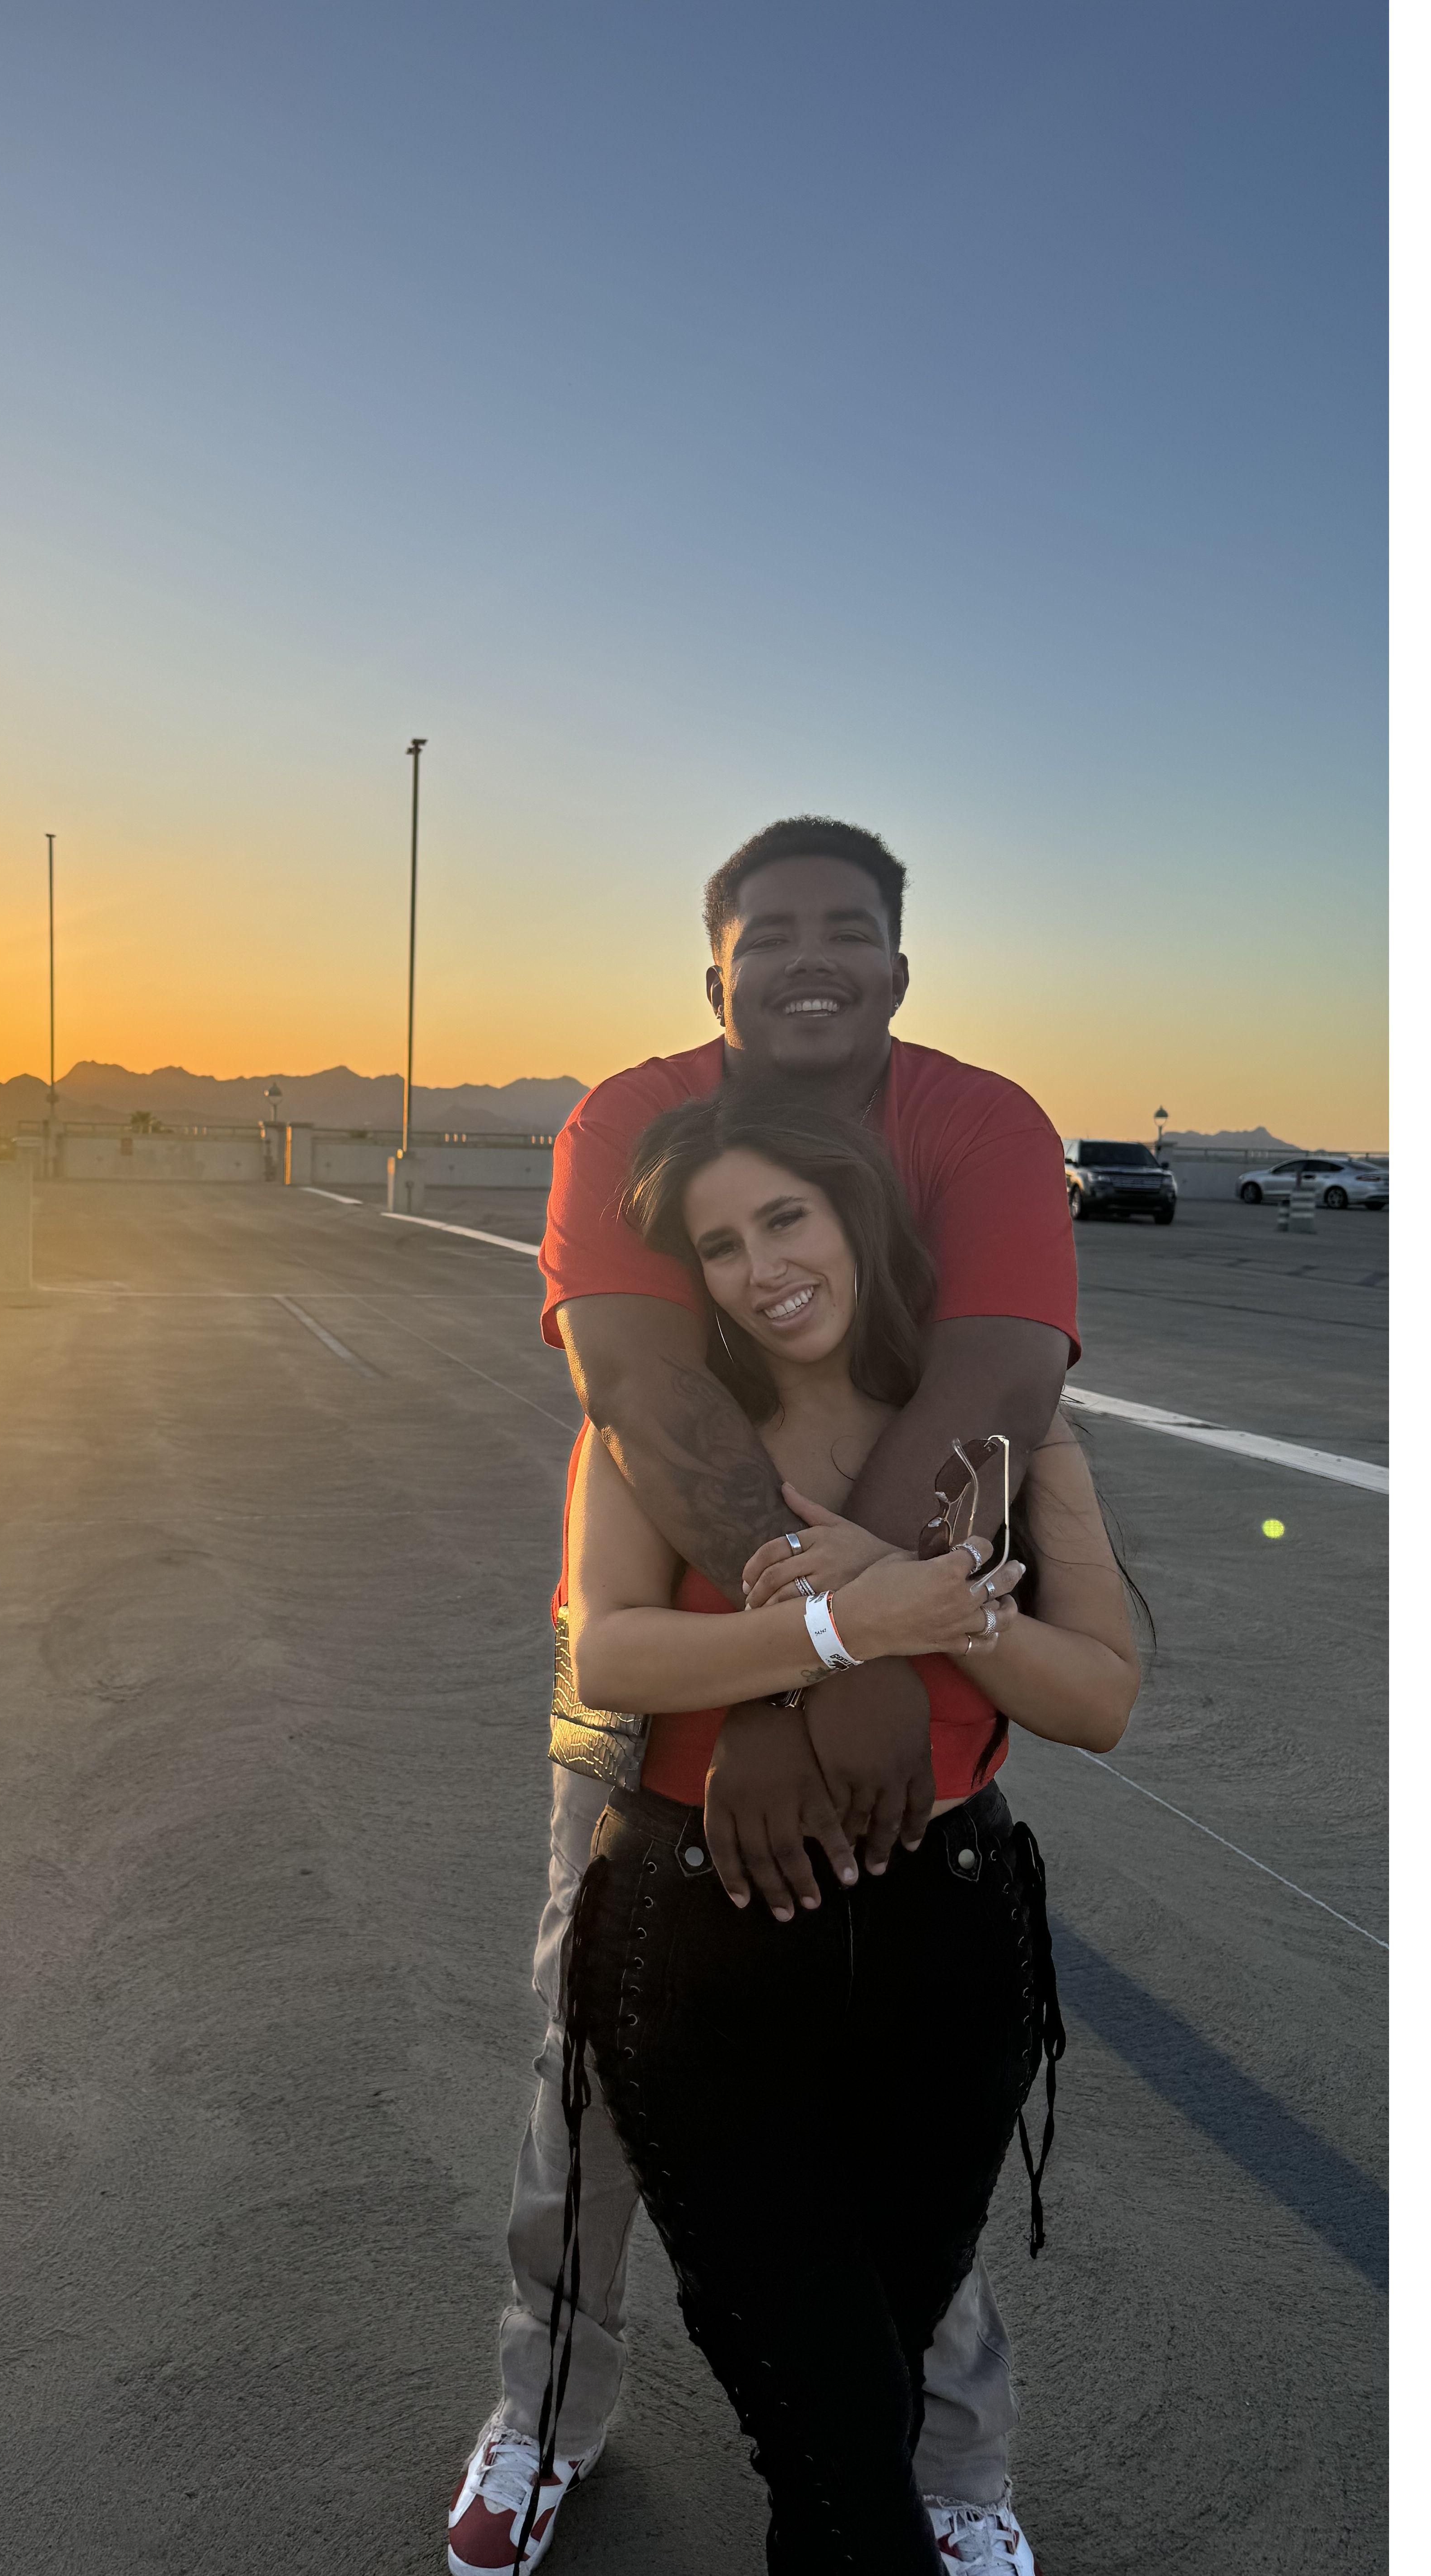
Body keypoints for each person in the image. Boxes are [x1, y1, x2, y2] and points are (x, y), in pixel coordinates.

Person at [447, 819, 1081, 2575]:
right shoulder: (633, 1119)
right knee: (593, 2091)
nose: (812, 957)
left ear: (899, 963)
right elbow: (645, 1387)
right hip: (660, 1692)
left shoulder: (980, 1124)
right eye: (770, 934)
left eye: (848, 928)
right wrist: (822, 1652)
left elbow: (999, 1381)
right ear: (714, 974)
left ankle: (945, 2465)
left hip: (915, 1689)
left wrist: (857, 1663)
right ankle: (546, 2414)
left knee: (906, 2124)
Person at [551, 1087, 1139, 2571]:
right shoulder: (660, 1442)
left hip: (947, 1946)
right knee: (823, 2409)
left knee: (865, 2383)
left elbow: (1099, 1699)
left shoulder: (1014, 1446)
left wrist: (930, 1602)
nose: (762, 1268)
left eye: (786, 1220)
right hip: (705, 1942)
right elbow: (609, 1655)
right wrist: (837, 1631)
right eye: (721, 1245)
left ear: (860, 1222)